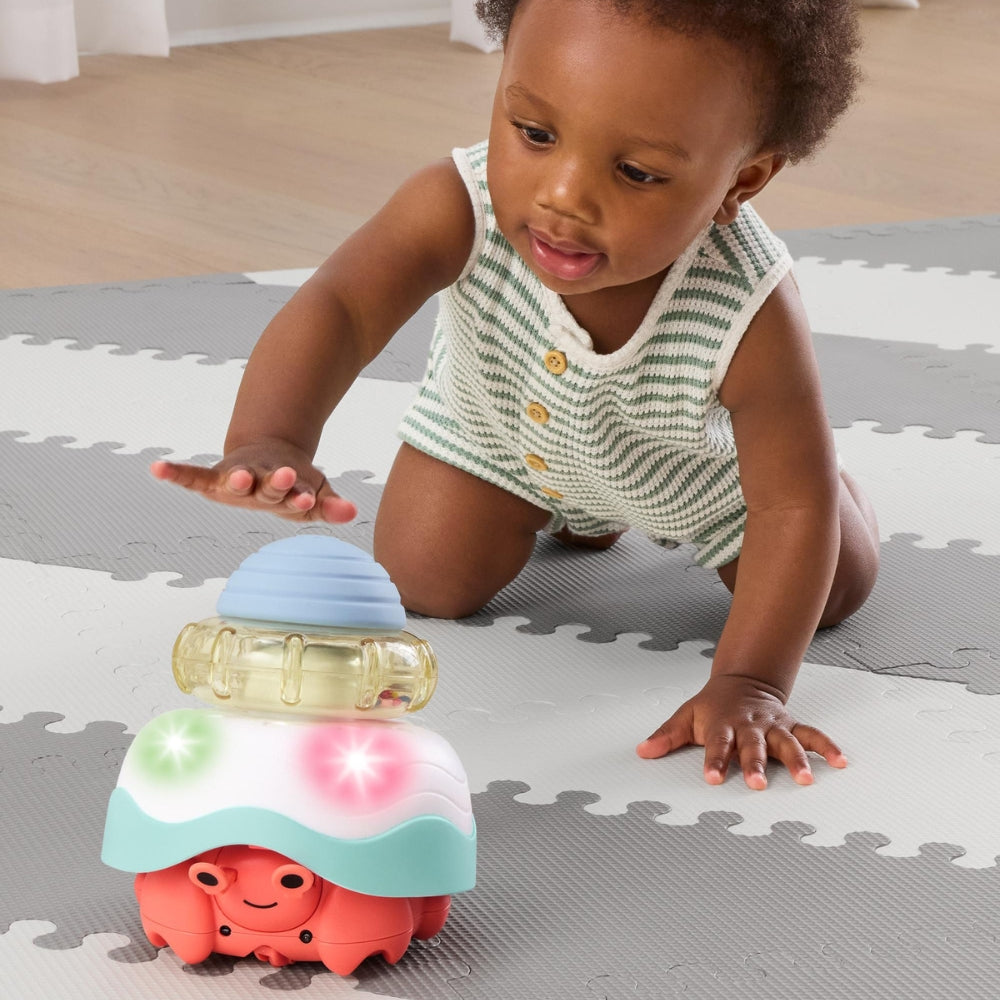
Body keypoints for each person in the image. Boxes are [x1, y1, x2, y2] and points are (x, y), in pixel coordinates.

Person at [152, 0, 880, 790]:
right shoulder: (458, 205)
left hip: (693, 484)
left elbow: (788, 506)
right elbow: (343, 307)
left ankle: (839, 488)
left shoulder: (750, 307)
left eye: (636, 172)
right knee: (424, 579)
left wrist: (751, 682)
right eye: (534, 133)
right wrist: (272, 438)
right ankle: (574, 515)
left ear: (742, 179)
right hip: (499, 436)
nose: (562, 196)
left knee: (833, 584)